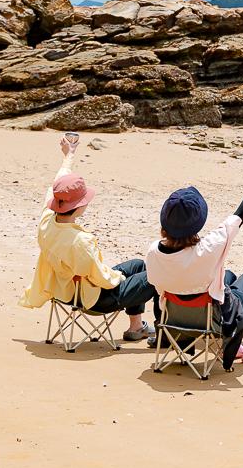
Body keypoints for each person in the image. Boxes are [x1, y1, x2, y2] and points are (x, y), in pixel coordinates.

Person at [145, 148, 243, 370]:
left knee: (227, 276)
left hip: (175, 322)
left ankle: (183, 345)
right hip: (215, 321)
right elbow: (241, 213)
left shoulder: (153, 251)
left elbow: (156, 286)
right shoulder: (209, 247)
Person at [20, 133, 156, 342]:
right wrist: (120, 277)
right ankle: (169, 334)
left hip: (63, 290)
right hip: (93, 299)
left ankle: (136, 327)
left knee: (138, 265)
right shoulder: (80, 242)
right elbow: (101, 279)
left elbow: (59, 182)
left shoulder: (47, 221)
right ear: (78, 207)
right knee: (155, 275)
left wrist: (69, 155)